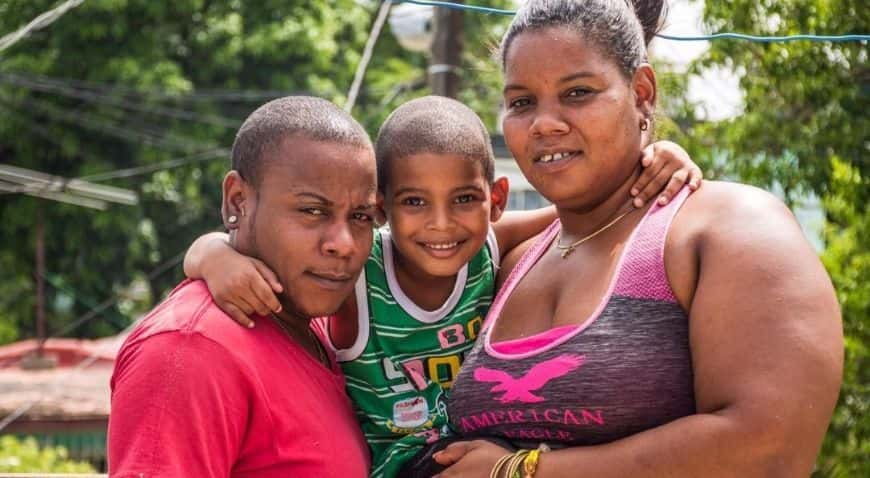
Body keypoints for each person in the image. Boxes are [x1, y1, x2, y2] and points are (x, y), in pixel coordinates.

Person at [432, 0, 843, 477]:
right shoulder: (511, 260)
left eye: (577, 93)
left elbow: (767, 449)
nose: (544, 123)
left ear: (641, 92)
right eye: (521, 102)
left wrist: (521, 471)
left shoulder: (725, 231)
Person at [183, 95, 702, 477]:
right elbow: (242, 250)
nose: (441, 225)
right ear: (382, 208)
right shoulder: (359, 271)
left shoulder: (486, 249)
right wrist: (212, 255)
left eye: (462, 200)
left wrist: (656, 160)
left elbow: (590, 211)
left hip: (490, 451)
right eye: (415, 203)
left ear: (495, 200)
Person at [108, 96, 377, 477]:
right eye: (312, 211)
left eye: (362, 216)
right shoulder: (190, 348)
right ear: (238, 199)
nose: (344, 243)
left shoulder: (318, 325)